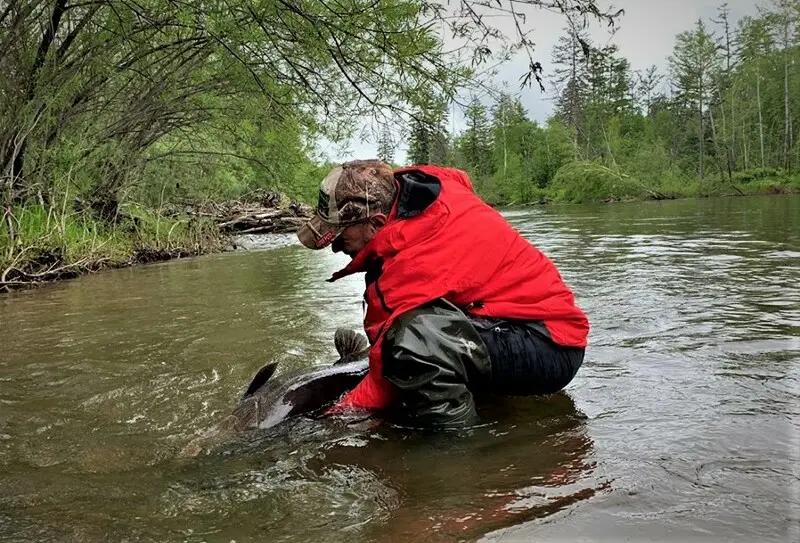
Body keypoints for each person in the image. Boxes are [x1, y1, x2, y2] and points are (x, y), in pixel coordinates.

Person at [296, 159, 588, 427]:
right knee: (411, 349)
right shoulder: (428, 192)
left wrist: (338, 416)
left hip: (548, 345)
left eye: (340, 234)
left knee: (413, 340)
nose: (334, 246)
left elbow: (387, 368)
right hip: (530, 326)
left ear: (377, 224)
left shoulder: (410, 266)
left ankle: (456, 448)